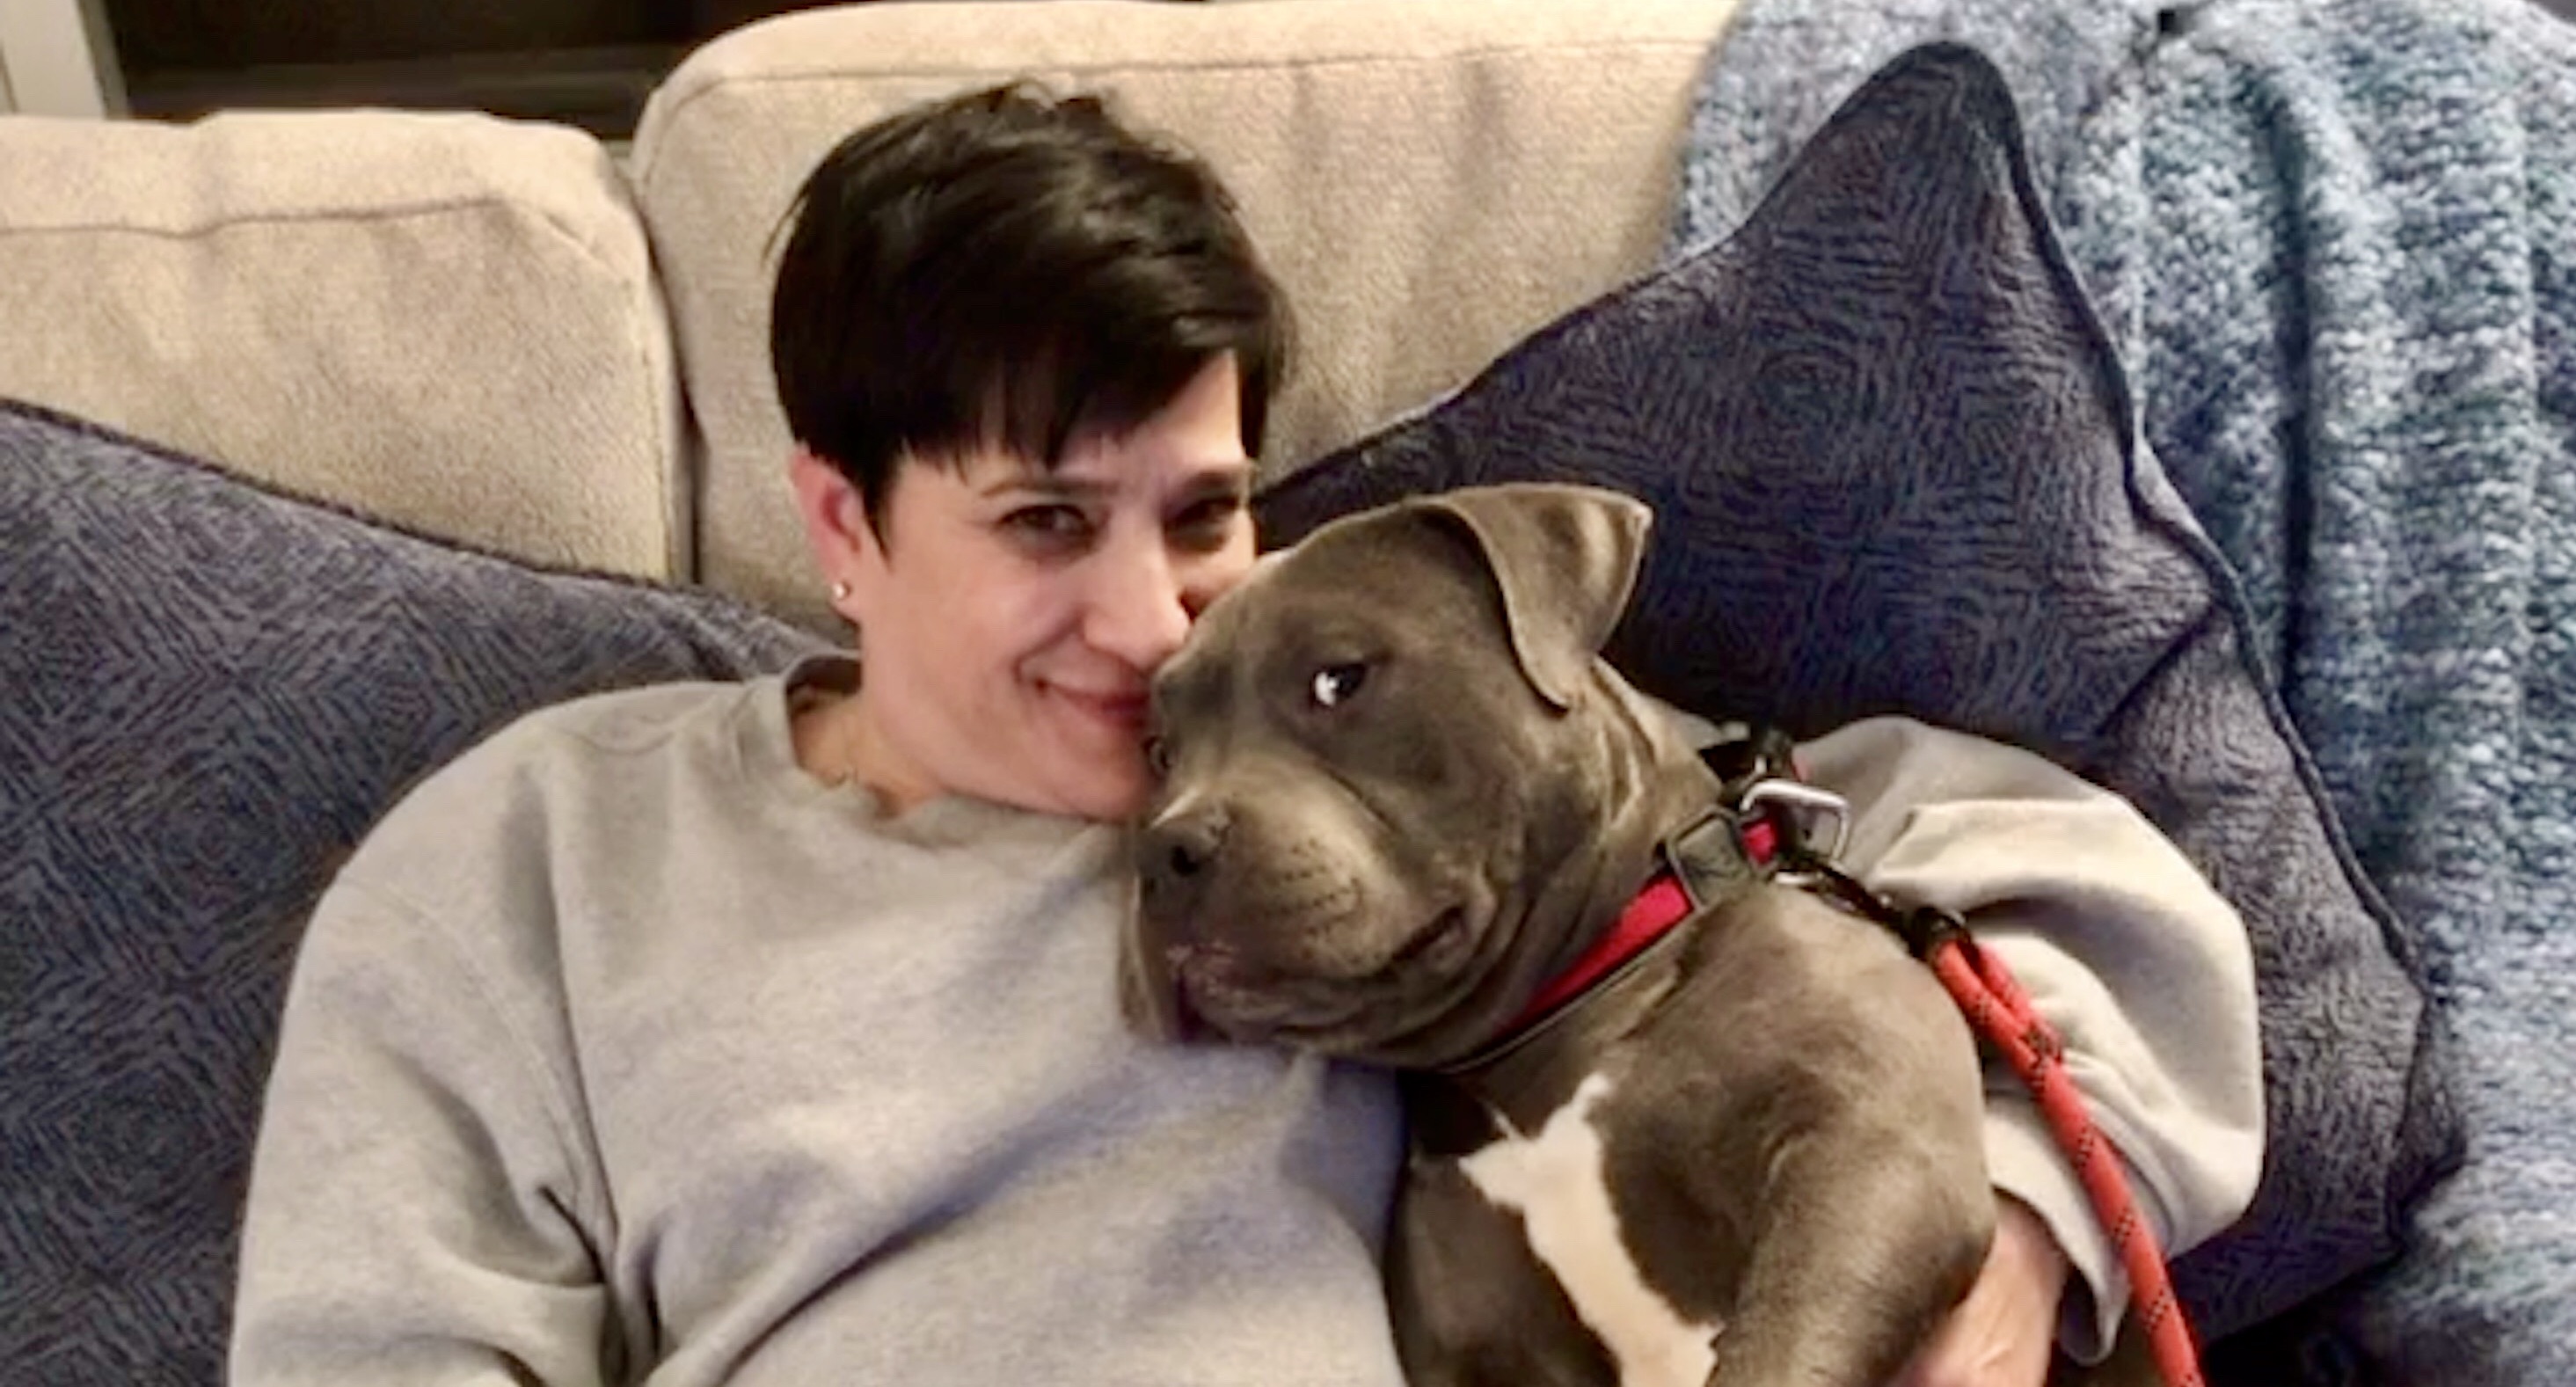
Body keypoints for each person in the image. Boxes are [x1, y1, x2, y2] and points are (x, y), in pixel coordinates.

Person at [228, 84, 2262, 1387]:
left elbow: (1993, 866)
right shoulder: (544, 855)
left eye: (1200, 516)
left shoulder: (1365, 746)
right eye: (1045, 527)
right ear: (839, 526)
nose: (1148, 629)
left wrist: (2017, 1222)